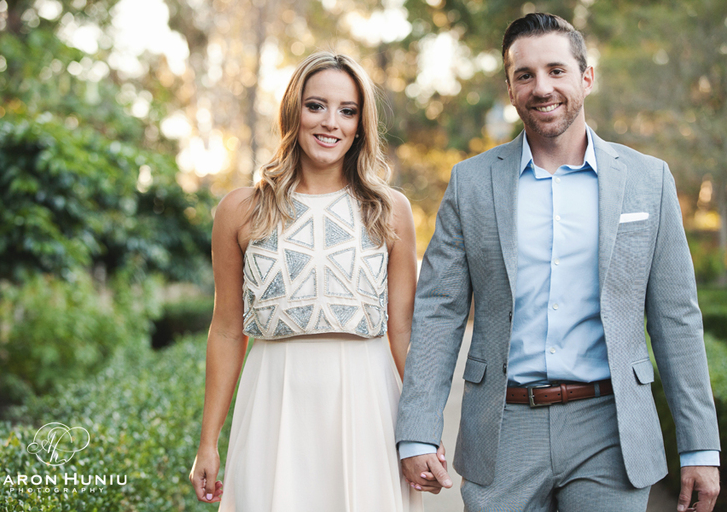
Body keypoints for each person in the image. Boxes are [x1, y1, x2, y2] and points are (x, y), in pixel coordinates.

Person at [396, 12, 721, 512]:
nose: (541, 87)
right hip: (503, 429)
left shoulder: (647, 180)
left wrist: (700, 445)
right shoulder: (471, 183)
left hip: (609, 429)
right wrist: (418, 432)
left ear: (586, 78)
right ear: (510, 89)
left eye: (556, 70)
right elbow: (439, 312)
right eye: (524, 75)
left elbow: (676, 318)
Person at [189, 51, 423, 512]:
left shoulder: (389, 208)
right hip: (274, 395)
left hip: (368, 397)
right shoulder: (240, 210)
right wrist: (208, 442)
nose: (330, 122)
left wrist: (421, 432)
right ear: (293, 111)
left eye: (347, 110)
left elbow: (403, 330)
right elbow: (227, 330)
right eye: (317, 105)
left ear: (361, 123)